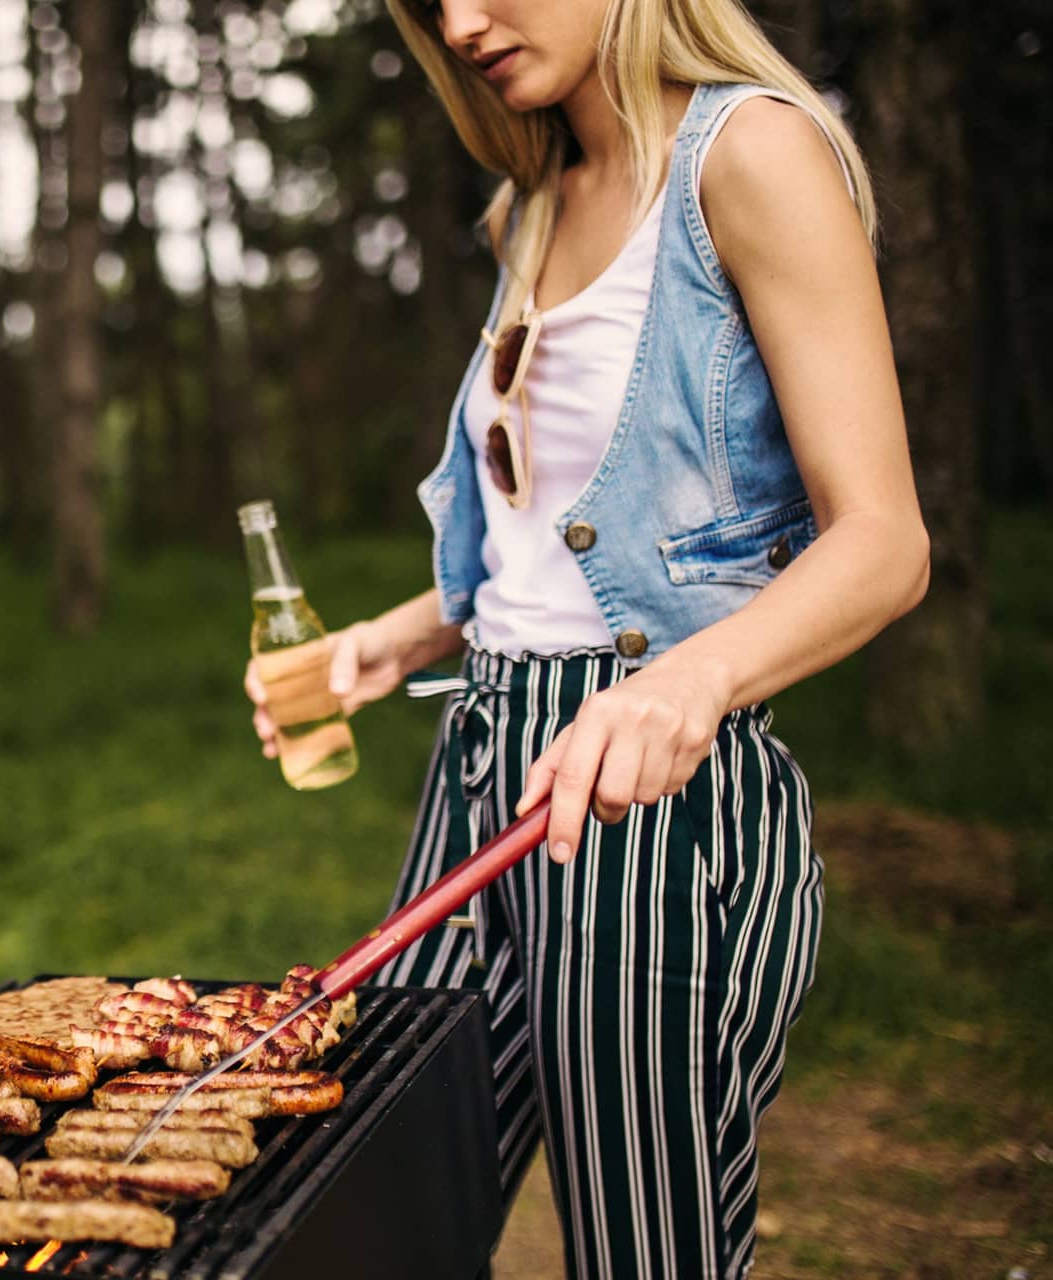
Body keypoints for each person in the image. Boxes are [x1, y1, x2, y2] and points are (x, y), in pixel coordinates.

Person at [246, 1, 928, 1275]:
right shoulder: (529, 202)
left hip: (648, 802)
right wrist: (395, 640)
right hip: (477, 772)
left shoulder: (750, 154)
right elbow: (563, 540)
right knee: (371, 1206)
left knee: (639, 1245)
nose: (460, 24)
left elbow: (883, 539)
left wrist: (689, 681)